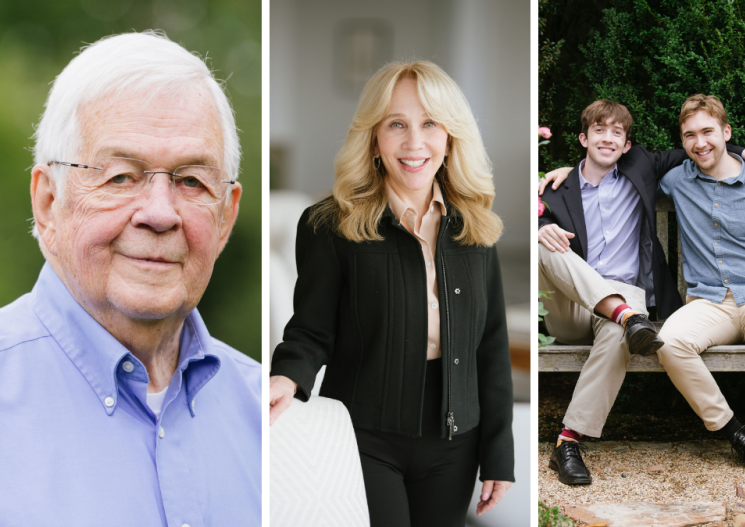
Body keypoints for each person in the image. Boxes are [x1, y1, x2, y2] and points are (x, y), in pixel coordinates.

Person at [0, 32, 260, 525]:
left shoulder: (269, 418)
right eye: (120, 176)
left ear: (226, 217)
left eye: (191, 181)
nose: (160, 214)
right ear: (48, 202)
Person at [270, 61, 514, 526]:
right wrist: (287, 376)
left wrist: (498, 453)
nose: (414, 142)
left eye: (429, 124)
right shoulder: (328, 224)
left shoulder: (476, 227)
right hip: (364, 438)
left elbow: (491, 345)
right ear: (373, 138)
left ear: (450, 137)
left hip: (455, 442)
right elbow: (311, 329)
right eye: (396, 124)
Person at [538, 99, 745, 485]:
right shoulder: (557, 189)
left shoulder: (642, 166)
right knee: (542, 242)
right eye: (599, 130)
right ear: (584, 138)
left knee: (619, 332)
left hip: (625, 302)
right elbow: (529, 218)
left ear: (627, 145)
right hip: (571, 305)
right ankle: (626, 317)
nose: (608, 139)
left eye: (617, 133)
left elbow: (699, 147)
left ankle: (568, 442)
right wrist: (541, 224)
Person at [656, 94, 745, 495]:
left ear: (726, 132)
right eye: (690, 135)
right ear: (682, 141)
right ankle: (733, 430)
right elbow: (623, 168)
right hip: (709, 302)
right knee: (667, 341)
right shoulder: (677, 179)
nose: (700, 143)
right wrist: (564, 170)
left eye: (708, 132)